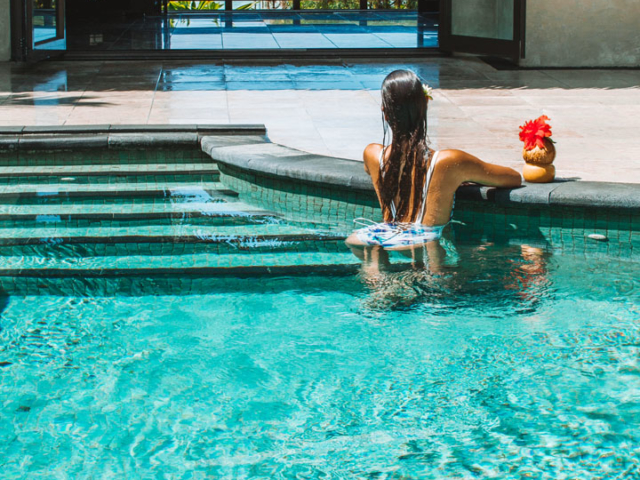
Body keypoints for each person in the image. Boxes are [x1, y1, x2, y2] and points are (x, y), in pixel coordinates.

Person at [346, 69, 522, 262]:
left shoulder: (372, 155)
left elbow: (369, 169)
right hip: (425, 244)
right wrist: (463, 176)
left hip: (380, 234)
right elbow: (513, 178)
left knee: (376, 272)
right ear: (424, 108)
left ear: (385, 113)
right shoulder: (449, 162)